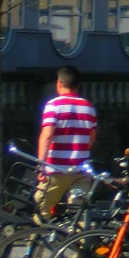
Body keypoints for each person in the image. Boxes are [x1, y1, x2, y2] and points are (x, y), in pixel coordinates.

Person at [37, 67, 96, 221]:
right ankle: (81, 236)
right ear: (78, 85)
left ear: (59, 83)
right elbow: (91, 139)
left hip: (57, 169)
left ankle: (40, 236)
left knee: (41, 206)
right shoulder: (88, 107)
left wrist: (41, 165)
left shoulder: (53, 105)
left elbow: (47, 136)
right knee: (78, 214)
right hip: (81, 170)